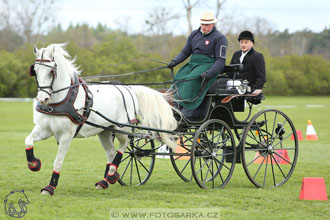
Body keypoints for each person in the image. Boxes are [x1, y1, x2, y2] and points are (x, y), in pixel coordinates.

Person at [168, 11, 228, 118]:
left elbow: (220, 61)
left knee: (192, 79)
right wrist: (174, 61)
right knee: (179, 77)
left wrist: (209, 73)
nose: (204, 27)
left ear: (212, 24)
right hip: (193, 63)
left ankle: (189, 109)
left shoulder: (220, 38)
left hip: (208, 64)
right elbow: (185, 52)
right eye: (202, 24)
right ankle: (177, 106)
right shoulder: (194, 34)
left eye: (207, 25)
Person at [230, 30, 266, 98]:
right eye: (241, 42)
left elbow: (261, 77)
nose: (243, 44)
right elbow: (230, 72)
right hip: (233, 87)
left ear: (252, 43)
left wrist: (252, 90)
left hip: (248, 88)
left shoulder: (257, 56)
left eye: (246, 42)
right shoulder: (236, 54)